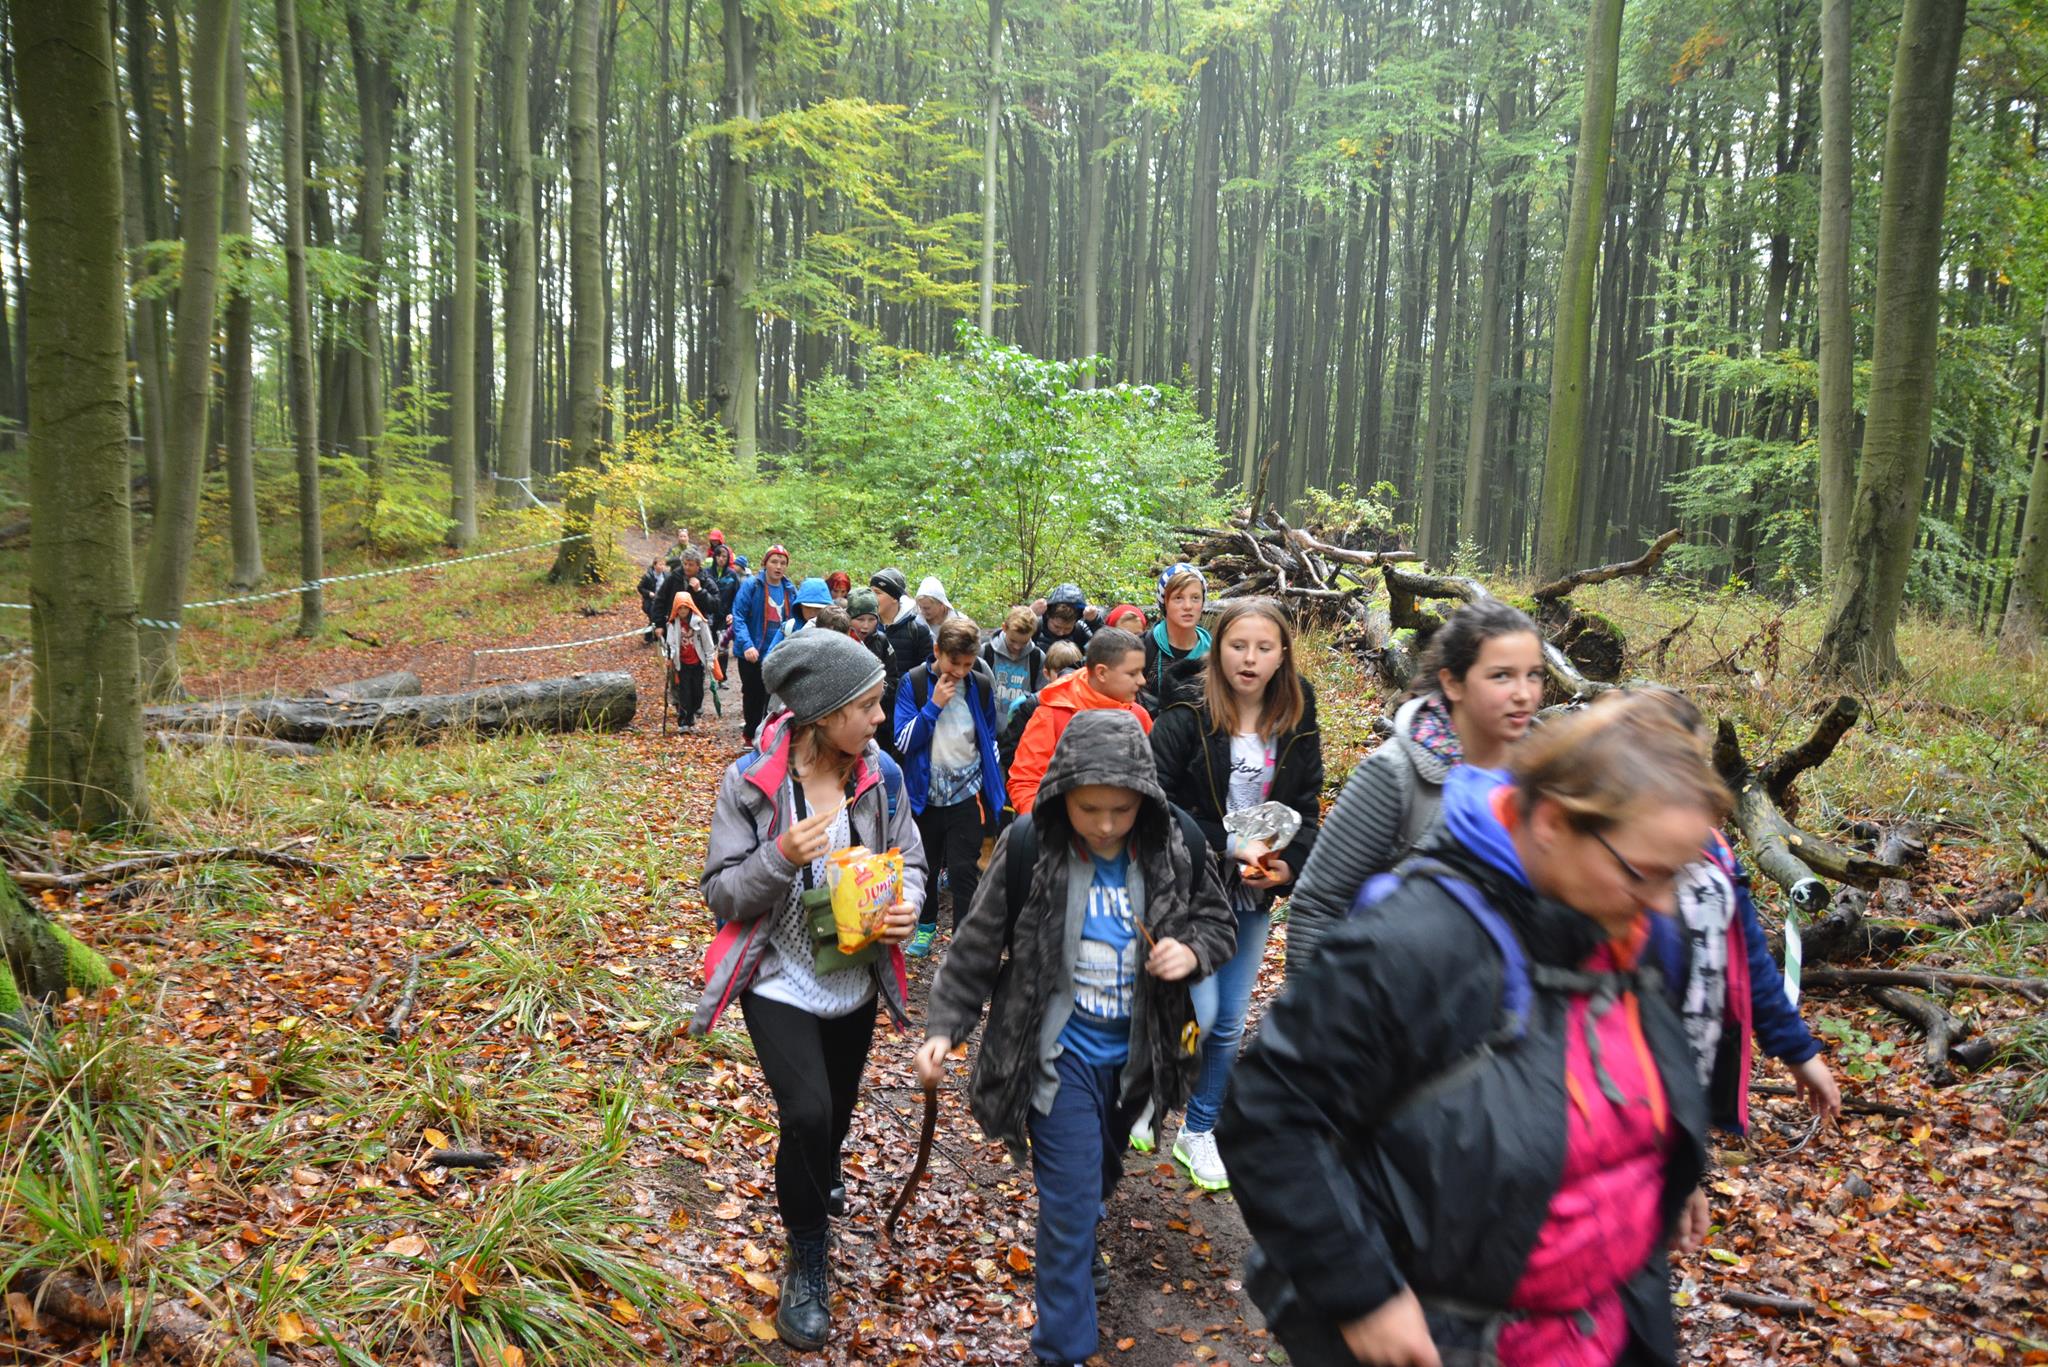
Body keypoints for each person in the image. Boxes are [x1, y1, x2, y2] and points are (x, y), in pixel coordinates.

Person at [1219, 697, 1727, 1367]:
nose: (1663, 903)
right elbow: (1269, 1111)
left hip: (1600, 1331)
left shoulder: (1630, 929)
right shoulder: (1416, 940)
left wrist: (1668, 1171)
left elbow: (1631, 1081)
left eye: (1677, 875)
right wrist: (1363, 1296)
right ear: (1552, 822)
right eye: (1644, 872)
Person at [917, 709, 1236, 1367]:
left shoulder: (1174, 843)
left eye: (1122, 809)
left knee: (1097, 1176)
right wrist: (945, 1028)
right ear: (1063, 793)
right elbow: (977, 944)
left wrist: (1190, 951)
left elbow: (1217, 922)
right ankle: (1061, 1348)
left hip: (1137, 1062)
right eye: (1090, 808)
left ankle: (1086, 1223)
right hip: (1056, 1059)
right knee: (1066, 1206)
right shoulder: (1032, 847)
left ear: (1144, 800)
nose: (1107, 824)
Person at [693, 629, 925, 1351]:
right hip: (777, 979)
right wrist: (780, 856)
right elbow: (721, 892)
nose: (881, 717)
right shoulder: (752, 783)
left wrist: (908, 904)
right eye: (869, 705)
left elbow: (911, 860)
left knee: (835, 1116)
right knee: (807, 1110)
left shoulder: (880, 775)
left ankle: (821, 1165)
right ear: (825, 713)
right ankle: (807, 1257)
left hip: (853, 980)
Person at [1144, 598, 1323, 1185]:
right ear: (1217, 649)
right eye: (1238, 645)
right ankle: (1148, 1089)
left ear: (1282, 655)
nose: (1250, 659)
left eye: (1264, 648)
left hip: (1251, 891)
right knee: (1197, 1008)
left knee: (1228, 1020)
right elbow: (1154, 803)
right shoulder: (1184, 709)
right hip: (1190, 881)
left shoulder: (1297, 714)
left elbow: (1305, 808)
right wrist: (1228, 843)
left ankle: (1199, 1131)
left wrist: (1287, 866)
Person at [1285, 599, 1545, 972]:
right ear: (1452, 683)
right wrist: (1314, 1005)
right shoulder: (1394, 774)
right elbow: (1318, 903)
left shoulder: (1544, 780)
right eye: (1501, 676)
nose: (1524, 693)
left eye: (1534, 675)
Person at [1627, 688, 1842, 1130]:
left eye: (1691, 762)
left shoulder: (1715, 857)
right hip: (1610, 1090)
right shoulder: (1589, 862)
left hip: (1687, 1092)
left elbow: (1749, 960)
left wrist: (1799, 1052)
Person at [892, 617, 1007, 956]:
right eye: (953, 662)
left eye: (967, 664)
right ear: (937, 651)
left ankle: (963, 941)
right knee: (925, 866)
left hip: (967, 793)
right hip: (924, 795)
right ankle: (925, 927)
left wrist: (991, 780)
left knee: (963, 870)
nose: (959, 671)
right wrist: (934, 706)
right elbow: (903, 741)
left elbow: (989, 737)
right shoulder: (914, 682)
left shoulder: (979, 685)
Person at [1006, 628, 1150, 815]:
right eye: (1132, 673)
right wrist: (1049, 824)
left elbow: (1153, 781)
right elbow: (1026, 782)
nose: (1142, 681)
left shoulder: (1138, 716)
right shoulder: (1053, 714)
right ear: (1102, 673)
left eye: (1141, 672)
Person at [731, 546, 799, 745]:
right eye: (774, 562)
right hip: (752, 653)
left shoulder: (789, 590)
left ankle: (768, 737)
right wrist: (746, 645)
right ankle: (751, 734)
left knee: (773, 697)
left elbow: (795, 619)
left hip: (777, 653)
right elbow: (739, 616)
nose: (778, 567)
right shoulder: (752, 585)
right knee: (753, 695)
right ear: (765, 563)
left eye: (783, 563)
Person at [999, 640, 1084, 788]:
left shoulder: (1086, 704)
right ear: (1046, 673)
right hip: (1036, 782)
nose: (1066, 677)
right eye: (1060, 672)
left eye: (1072, 671)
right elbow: (1009, 750)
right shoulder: (1029, 705)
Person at [1143, 564, 1212, 712]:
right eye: (1178, 598)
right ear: (1165, 603)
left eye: (1195, 598)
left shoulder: (1215, 652)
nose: (1188, 606)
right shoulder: (1144, 647)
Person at [666, 553, 720, 730]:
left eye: (685, 607)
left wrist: (710, 659)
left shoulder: (699, 622)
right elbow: (671, 642)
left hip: (697, 662)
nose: (682, 611)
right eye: (685, 564)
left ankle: (693, 711)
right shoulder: (673, 624)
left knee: (697, 693)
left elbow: (715, 606)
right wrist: (670, 657)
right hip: (682, 664)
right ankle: (684, 720)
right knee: (684, 692)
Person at [845, 587, 902, 750]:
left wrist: (878, 693)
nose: (865, 626)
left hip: (876, 717)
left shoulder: (881, 642)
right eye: (860, 619)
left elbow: (892, 677)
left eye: (871, 619)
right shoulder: (840, 639)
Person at [982, 606, 1048, 720]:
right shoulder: (986, 651)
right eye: (1012, 640)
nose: (1017, 647)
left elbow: (1042, 695)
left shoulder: (1037, 657)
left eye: (1024, 642)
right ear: (1004, 628)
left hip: (1022, 723)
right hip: (989, 722)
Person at [871, 568, 935, 672]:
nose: (871, 597)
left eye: (878, 593)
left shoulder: (918, 631)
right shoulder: (866, 626)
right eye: (871, 591)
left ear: (894, 598)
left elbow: (928, 671)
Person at [1035, 583, 1094, 653]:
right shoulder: (1035, 626)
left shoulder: (1080, 630)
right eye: (1056, 626)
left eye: (1067, 628)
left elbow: (1101, 649)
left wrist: (1095, 621)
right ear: (1048, 615)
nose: (1061, 633)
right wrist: (1030, 612)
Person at [638, 558, 667, 642]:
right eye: (660, 564)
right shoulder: (648, 576)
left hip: (661, 602)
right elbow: (640, 588)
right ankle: (649, 637)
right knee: (654, 619)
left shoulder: (666, 576)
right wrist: (648, 593)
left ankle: (654, 637)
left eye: (663, 565)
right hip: (649, 602)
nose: (662, 567)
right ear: (654, 565)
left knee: (659, 619)